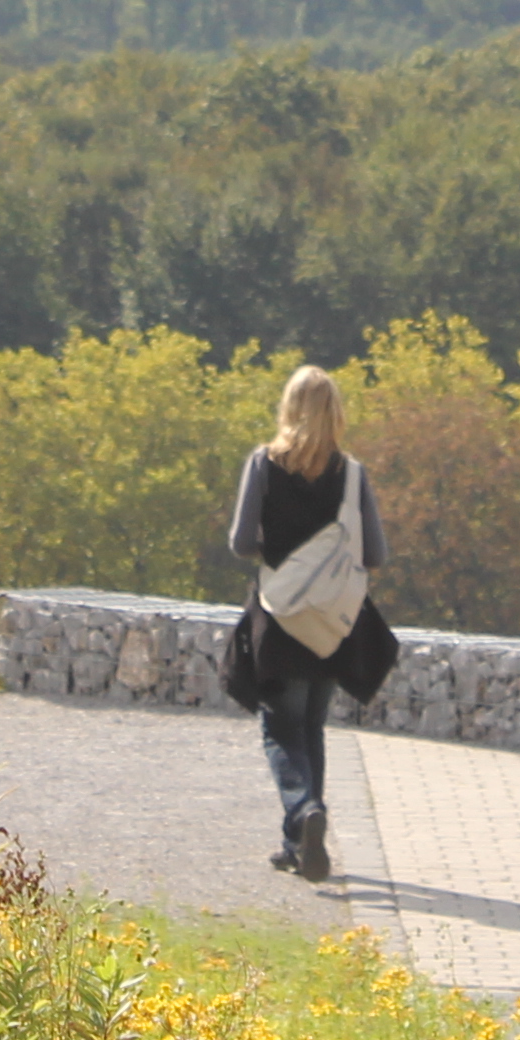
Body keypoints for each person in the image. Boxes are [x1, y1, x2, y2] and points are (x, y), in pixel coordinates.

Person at [223, 366, 389, 881]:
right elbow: (376, 553)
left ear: (288, 410)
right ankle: (299, 842)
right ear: (335, 413)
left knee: (279, 728)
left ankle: (303, 812)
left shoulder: (264, 464)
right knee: (311, 726)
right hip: (334, 626)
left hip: (280, 618)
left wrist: (283, 555)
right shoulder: (352, 474)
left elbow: (240, 542)